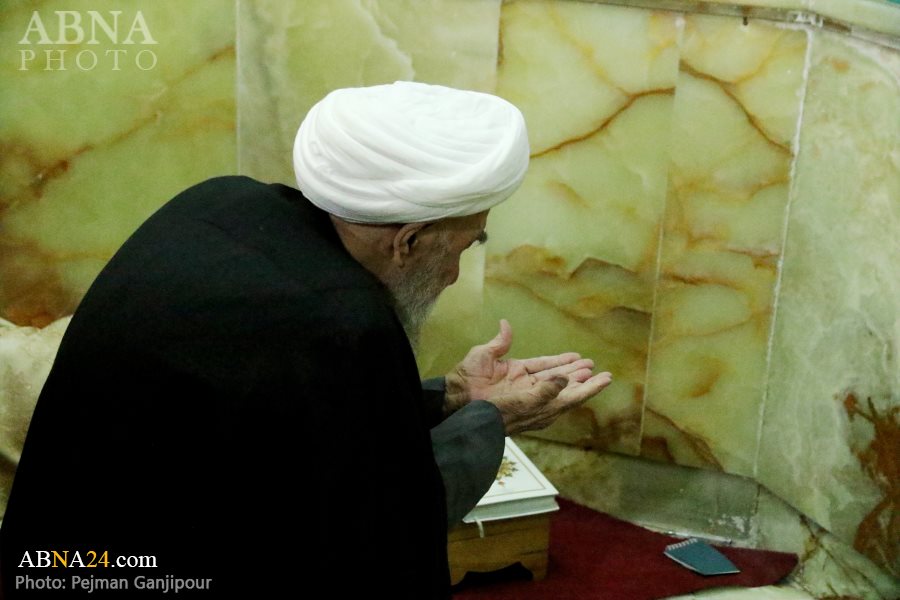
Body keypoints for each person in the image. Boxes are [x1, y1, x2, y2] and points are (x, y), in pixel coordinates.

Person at [0, 81, 611, 598]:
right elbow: (386, 528)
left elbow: (291, 429)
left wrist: (451, 396)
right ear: (409, 240)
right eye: (464, 246)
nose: (453, 275)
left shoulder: (220, 206)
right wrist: (492, 418)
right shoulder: (341, 322)